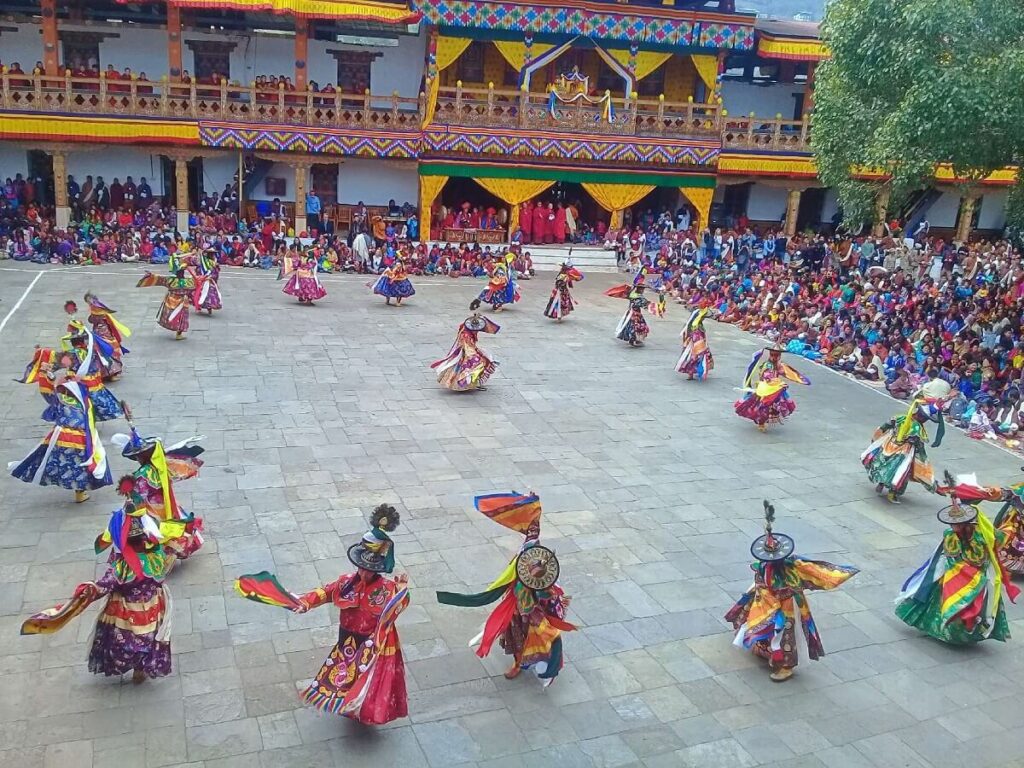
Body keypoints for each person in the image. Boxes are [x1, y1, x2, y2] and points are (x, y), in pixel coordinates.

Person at [235, 505, 409, 724]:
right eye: (361, 567)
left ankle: (363, 710)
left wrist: (402, 589)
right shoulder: (346, 583)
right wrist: (304, 603)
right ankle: (349, 706)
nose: (364, 571)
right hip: (347, 640)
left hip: (369, 643)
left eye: (369, 569)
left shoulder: (388, 590)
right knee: (344, 678)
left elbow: (400, 605)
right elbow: (324, 592)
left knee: (367, 681)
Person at [21, 501, 175, 683]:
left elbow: (105, 585)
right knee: (149, 637)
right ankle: (140, 669)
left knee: (126, 640)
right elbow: (165, 564)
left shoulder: (122, 565)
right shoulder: (156, 555)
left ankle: (134, 665)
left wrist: (90, 589)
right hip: (152, 606)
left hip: (126, 610)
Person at [436, 492, 574, 686]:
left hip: (532, 613)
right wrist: (531, 505)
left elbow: (543, 594)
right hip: (516, 608)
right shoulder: (530, 546)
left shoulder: (544, 582)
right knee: (517, 639)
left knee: (538, 638)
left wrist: (538, 593)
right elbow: (533, 528)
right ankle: (519, 662)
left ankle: (532, 664)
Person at [726, 501, 859, 682]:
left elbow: (816, 572)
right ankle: (765, 652)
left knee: (786, 635)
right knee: (763, 628)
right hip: (764, 602)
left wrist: (841, 572)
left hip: (787, 606)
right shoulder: (763, 567)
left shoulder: (793, 566)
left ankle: (786, 666)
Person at [895, 489, 1017, 644]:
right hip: (953, 571)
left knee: (970, 605)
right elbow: (950, 553)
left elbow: (980, 557)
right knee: (939, 597)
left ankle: (962, 634)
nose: (953, 526)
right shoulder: (950, 534)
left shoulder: (980, 536)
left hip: (975, 575)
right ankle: (941, 629)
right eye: (952, 524)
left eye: (956, 524)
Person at [112, 411, 205, 565]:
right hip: (163, 502)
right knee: (169, 526)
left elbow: (139, 495)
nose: (136, 459)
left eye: (137, 456)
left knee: (154, 532)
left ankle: (160, 561)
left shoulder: (142, 474)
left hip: (151, 508)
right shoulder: (160, 467)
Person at [8, 367, 112, 503]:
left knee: (47, 458)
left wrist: (48, 376)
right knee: (81, 466)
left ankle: (52, 477)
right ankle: (80, 493)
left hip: (60, 437)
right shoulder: (86, 404)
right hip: (80, 438)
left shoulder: (61, 401)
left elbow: (49, 393)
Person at [861, 394, 946, 503]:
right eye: (925, 418)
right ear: (922, 417)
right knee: (899, 472)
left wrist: (876, 438)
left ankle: (881, 485)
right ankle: (892, 494)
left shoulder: (899, 417)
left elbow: (884, 427)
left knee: (883, 466)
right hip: (902, 452)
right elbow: (916, 443)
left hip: (888, 445)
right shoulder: (916, 428)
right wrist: (922, 460)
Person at [734, 344, 810, 431]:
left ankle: (763, 421)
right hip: (765, 388)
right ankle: (761, 422)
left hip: (774, 388)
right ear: (770, 354)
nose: (775, 357)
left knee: (774, 405)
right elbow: (768, 377)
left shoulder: (778, 365)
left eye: (777, 355)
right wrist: (778, 383)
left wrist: (796, 378)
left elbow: (785, 372)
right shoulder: (767, 365)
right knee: (762, 406)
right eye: (773, 355)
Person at [431, 300, 500, 392]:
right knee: (477, 364)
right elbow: (468, 347)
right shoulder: (466, 334)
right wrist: (474, 355)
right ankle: (465, 384)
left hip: (469, 349)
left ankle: (471, 383)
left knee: (481, 363)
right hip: (466, 352)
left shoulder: (466, 327)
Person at [83, 292, 131, 381]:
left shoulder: (96, 309)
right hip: (103, 331)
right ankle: (109, 373)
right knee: (105, 350)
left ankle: (109, 372)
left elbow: (93, 319)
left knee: (105, 350)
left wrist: (91, 317)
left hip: (102, 332)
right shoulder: (98, 308)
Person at [137, 267, 196, 340]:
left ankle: (170, 325)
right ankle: (179, 334)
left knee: (170, 314)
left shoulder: (170, 280)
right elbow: (196, 284)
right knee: (182, 317)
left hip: (171, 300)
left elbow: (159, 278)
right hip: (183, 301)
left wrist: (150, 275)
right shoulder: (189, 282)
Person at [606, 275, 650, 347]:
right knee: (635, 326)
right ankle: (633, 340)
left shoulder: (632, 294)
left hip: (630, 311)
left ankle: (634, 339)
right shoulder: (639, 297)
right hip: (635, 313)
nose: (643, 290)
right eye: (642, 289)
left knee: (631, 326)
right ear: (640, 290)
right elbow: (645, 304)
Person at [676, 306, 715, 380]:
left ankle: (693, 373)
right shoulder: (695, 326)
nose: (703, 319)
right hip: (696, 344)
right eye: (703, 317)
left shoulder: (697, 324)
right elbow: (695, 336)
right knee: (693, 359)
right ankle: (691, 374)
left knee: (696, 359)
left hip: (699, 343)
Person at [187, 249, 223, 315]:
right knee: (206, 294)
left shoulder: (206, 263)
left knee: (203, 294)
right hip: (205, 280)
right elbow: (216, 274)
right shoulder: (210, 263)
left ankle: (205, 307)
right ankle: (206, 307)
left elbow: (198, 271)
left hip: (205, 281)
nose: (213, 256)